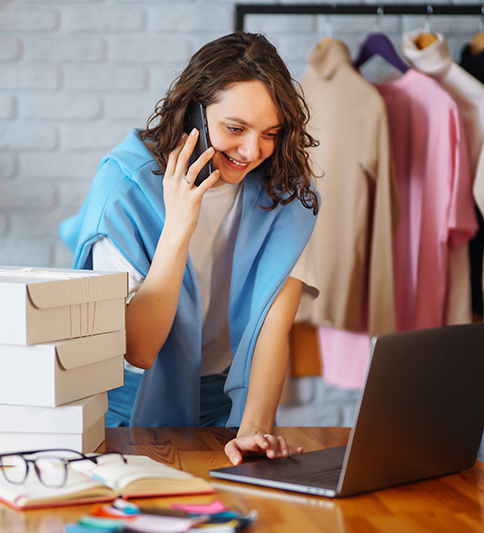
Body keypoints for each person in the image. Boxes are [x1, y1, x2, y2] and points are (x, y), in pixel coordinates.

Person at [59, 32, 320, 465]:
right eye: (235, 129)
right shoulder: (125, 189)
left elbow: (272, 330)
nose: (253, 150)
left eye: (270, 133)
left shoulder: (284, 196)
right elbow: (138, 349)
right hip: (124, 408)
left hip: (224, 405)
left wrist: (253, 431)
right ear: (193, 113)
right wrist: (178, 225)